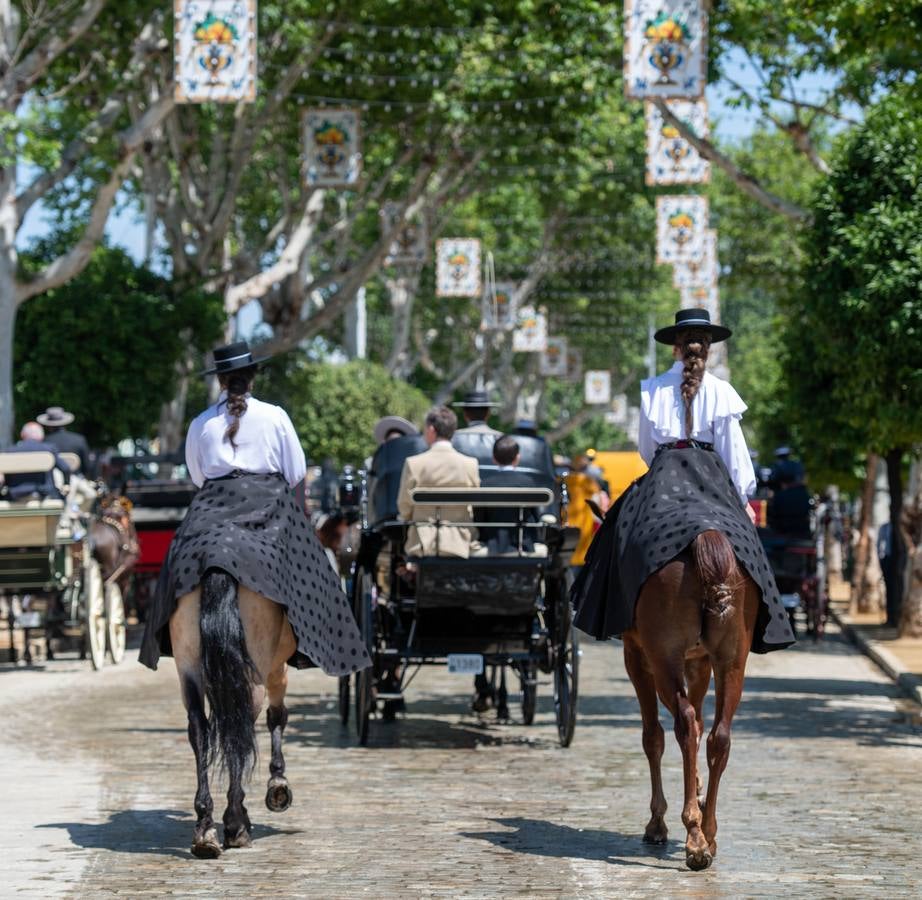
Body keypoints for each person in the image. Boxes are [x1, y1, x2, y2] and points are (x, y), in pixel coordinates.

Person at [572, 308, 795, 654]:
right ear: (708, 348)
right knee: (751, 549)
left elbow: (647, 450)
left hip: (664, 477)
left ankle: (619, 617)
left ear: (675, 347)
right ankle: (769, 619)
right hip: (712, 477)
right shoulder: (722, 391)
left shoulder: (652, 389)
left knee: (617, 532)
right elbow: (734, 454)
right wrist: (743, 501)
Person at [140, 340, 369, 676]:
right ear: (253, 377)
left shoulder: (201, 422)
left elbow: (197, 474)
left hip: (213, 503)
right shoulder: (275, 416)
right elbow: (294, 472)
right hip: (268, 501)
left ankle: (163, 637)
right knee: (315, 571)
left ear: (220, 380)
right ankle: (318, 644)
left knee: (177, 559)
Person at [396, 406, 480, 558]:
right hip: (461, 542)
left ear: (431, 429)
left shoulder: (414, 463)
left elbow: (404, 507)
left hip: (423, 543)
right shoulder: (470, 464)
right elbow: (474, 503)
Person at [476, 435, 541, 556]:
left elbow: (479, 519)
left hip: (492, 542)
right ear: (517, 458)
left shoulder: (485, 484)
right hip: (522, 543)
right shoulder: (528, 483)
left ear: (494, 459)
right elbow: (535, 517)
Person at [2, 421, 71, 500]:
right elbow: (65, 468)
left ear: (22, 435)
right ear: (41, 436)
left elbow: (5, 478)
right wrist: (66, 484)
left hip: (15, 496)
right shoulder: (49, 449)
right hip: (45, 495)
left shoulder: (10, 451)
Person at [37, 406, 91, 475]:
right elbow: (87, 467)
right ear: (65, 423)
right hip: (74, 481)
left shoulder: (43, 442)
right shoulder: (79, 440)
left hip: (52, 482)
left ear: (48, 425)